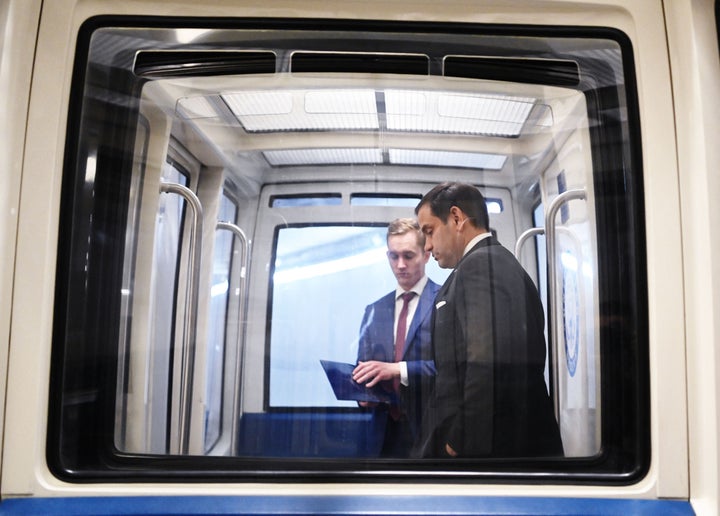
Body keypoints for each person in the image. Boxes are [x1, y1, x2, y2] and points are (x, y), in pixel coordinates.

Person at [412, 182, 563, 458]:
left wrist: (459, 442)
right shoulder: (501, 262)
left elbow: (486, 364)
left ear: (456, 219)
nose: (428, 245)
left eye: (429, 231)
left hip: (489, 450)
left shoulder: (479, 267)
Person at [352, 218, 441, 457]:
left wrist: (397, 370)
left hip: (430, 430)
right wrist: (362, 395)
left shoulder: (445, 301)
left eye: (408, 256)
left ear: (426, 255)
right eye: (394, 256)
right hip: (382, 433)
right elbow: (365, 367)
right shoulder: (374, 310)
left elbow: (451, 370)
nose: (400, 265)